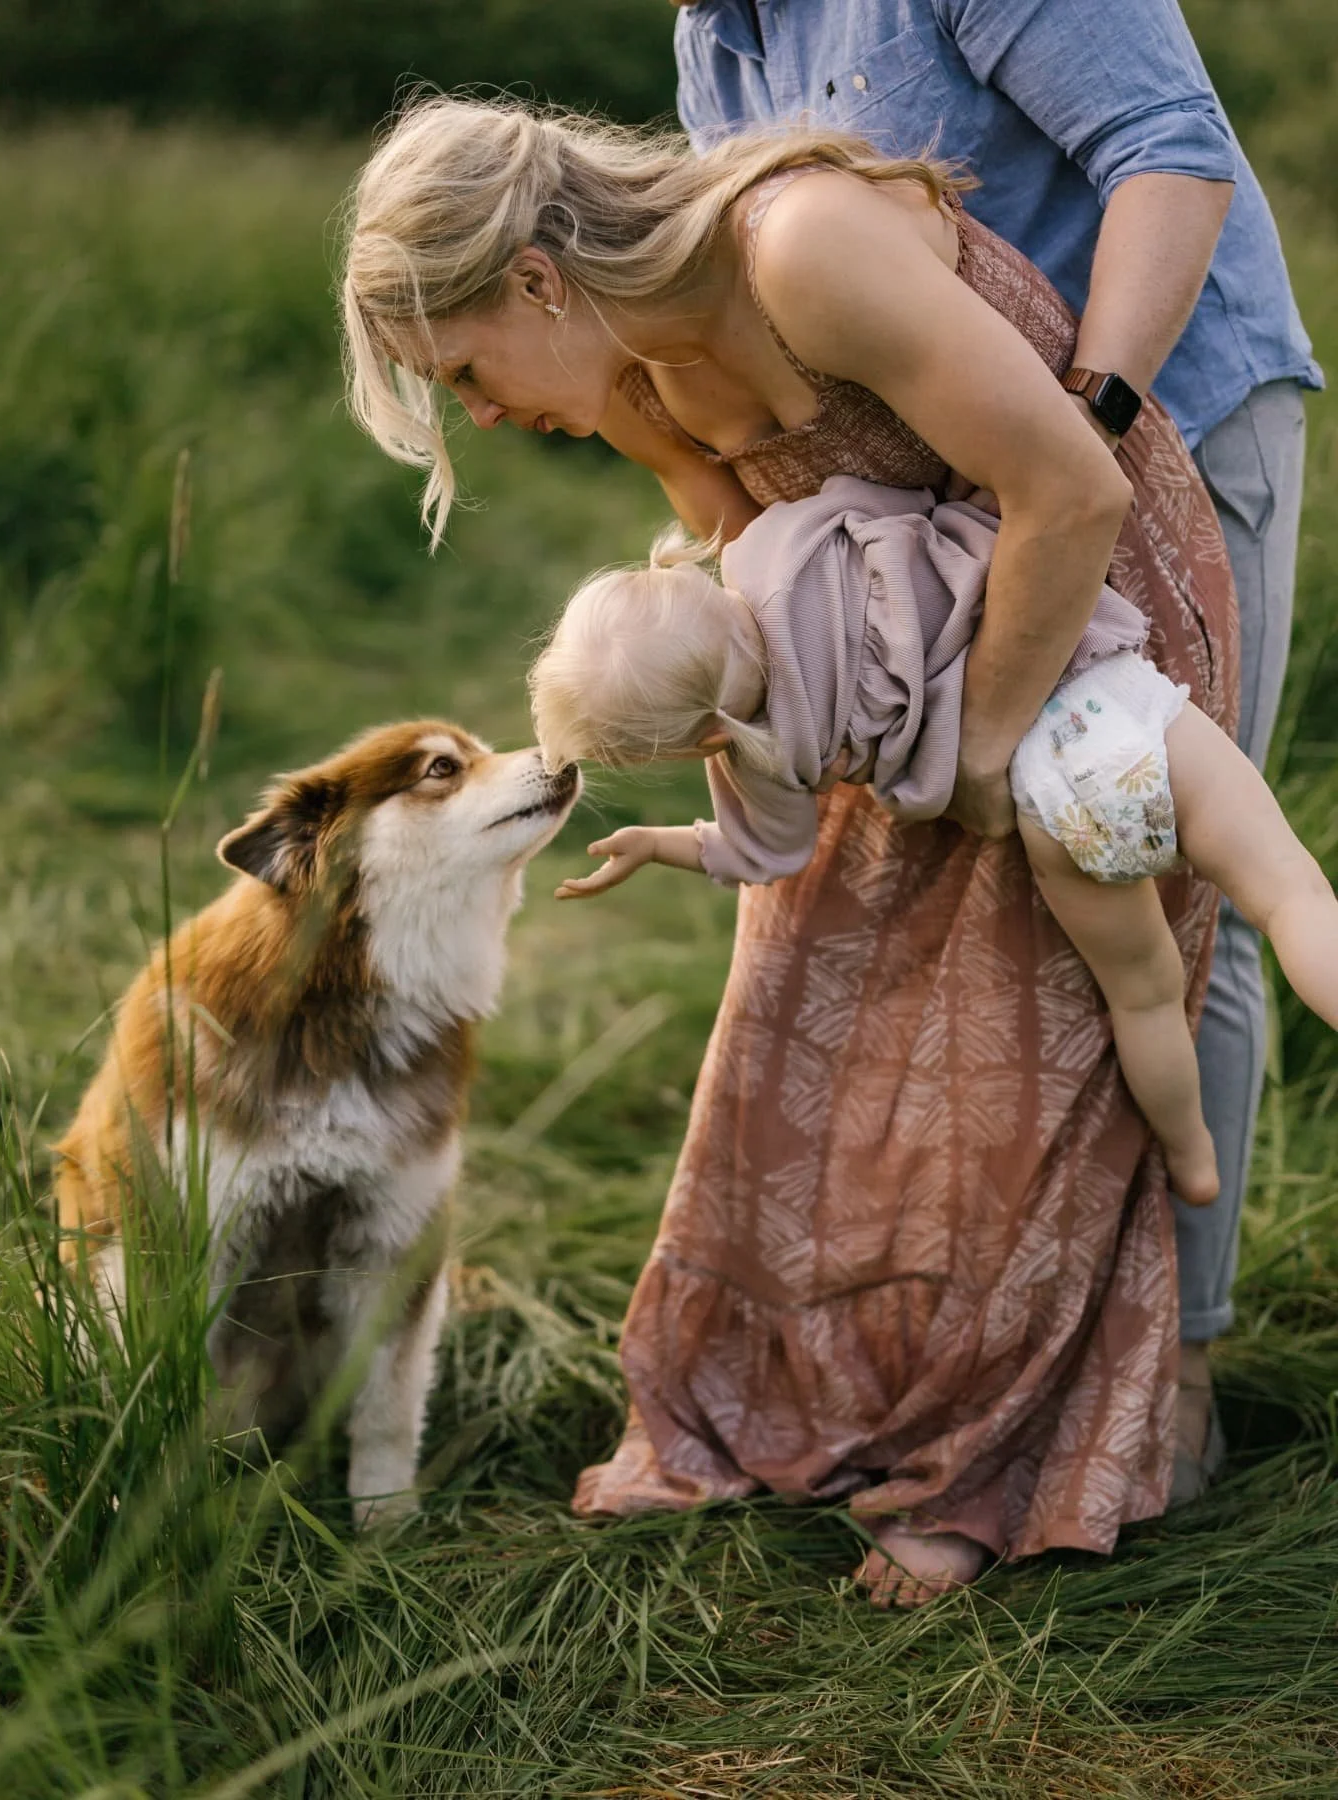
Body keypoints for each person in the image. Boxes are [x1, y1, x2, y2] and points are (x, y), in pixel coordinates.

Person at [340, 94, 1240, 1606]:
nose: (482, 414)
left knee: (1015, 1046)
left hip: (1079, 627)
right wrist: (726, 720)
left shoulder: (799, 249)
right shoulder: (627, 375)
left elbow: (1070, 490)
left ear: (538, 281)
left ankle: (984, 1468)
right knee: (802, 1017)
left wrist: (982, 753)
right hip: (879, 679)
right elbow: (739, 543)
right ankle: (799, 1411)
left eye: (468, 371)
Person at [669, 0, 1323, 1504]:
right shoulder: (716, 30)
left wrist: (1078, 427)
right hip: (973, 493)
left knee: (1177, 885)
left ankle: (1183, 1374)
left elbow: (1171, 152)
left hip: (1168, 413)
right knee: (1035, 908)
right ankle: (1026, 1376)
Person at [528, 477, 1338, 1212]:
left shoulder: (767, 757)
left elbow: (765, 856)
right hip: (1106, 699)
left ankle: (1192, 1158)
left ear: (700, 738)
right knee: (1289, 895)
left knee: (1144, 996)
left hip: (1045, 803)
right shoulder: (779, 543)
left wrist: (662, 843)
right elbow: (890, 500)